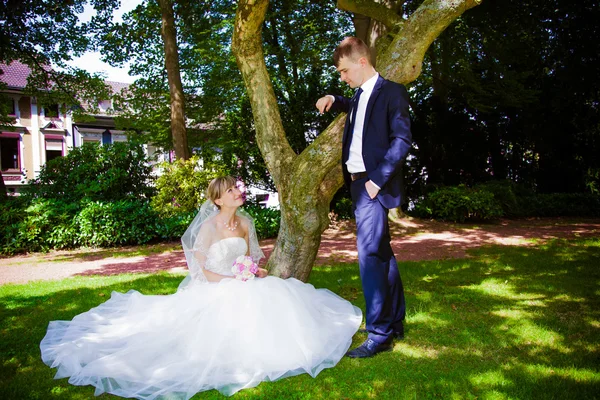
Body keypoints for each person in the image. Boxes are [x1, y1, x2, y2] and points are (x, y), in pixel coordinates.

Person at [40, 176, 362, 399]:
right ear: (218, 199)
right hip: (216, 286)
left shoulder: (246, 223)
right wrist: (233, 280)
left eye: (237, 187)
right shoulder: (207, 228)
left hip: (245, 282)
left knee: (281, 298)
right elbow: (201, 271)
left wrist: (254, 271)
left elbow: (251, 257)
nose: (238, 191)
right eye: (231, 190)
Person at [315, 37, 412, 358]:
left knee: (369, 256)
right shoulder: (358, 96)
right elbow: (354, 105)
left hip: (373, 186)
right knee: (382, 253)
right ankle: (395, 322)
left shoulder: (393, 92)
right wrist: (334, 97)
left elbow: (401, 140)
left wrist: (377, 181)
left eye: (344, 71)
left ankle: (379, 333)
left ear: (361, 62)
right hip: (357, 185)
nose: (342, 77)